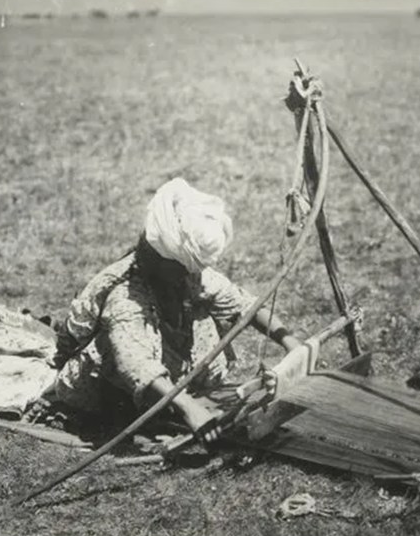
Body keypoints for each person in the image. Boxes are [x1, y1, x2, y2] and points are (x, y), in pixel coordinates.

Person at [53, 177, 303, 445]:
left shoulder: (183, 273)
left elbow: (244, 305)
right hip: (103, 385)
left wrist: (293, 345)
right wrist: (190, 409)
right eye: (184, 268)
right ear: (161, 260)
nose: (190, 274)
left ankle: (173, 401)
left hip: (155, 370)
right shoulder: (125, 295)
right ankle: (147, 413)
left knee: (203, 313)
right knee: (121, 347)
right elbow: (135, 363)